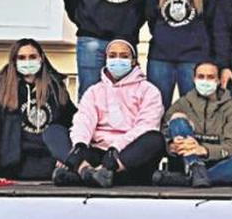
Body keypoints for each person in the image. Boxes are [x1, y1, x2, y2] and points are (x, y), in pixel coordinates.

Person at [45, 39, 166, 187]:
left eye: (123, 56)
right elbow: (84, 120)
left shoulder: (149, 90)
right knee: (53, 131)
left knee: (155, 139)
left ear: (134, 61)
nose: (118, 60)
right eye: (113, 55)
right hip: (97, 151)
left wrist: (115, 150)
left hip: (125, 155)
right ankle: (86, 171)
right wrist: (80, 145)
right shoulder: (95, 90)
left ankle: (90, 174)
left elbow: (146, 126)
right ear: (106, 59)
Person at [0, 39, 75, 183]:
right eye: (22, 58)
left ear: (41, 58)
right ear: (14, 61)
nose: (27, 62)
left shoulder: (55, 88)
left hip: (51, 170)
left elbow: (72, 123)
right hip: (13, 169)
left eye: (32, 57)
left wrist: (67, 157)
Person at [155, 61, 232, 187]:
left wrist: (204, 150)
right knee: (178, 120)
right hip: (186, 162)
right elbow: (163, 134)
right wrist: (170, 147)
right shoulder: (182, 103)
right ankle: (196, 167)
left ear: (218, 80)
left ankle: (189, 179)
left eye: (210, 77)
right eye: (201, 77)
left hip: (218, 164)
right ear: (194, 79)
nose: (205, 81)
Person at [145, 0, 216, 108]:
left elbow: (211, 26)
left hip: (193, 60)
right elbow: (151, 20)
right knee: (157, 110)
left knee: (194, 110)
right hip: (160, 59)